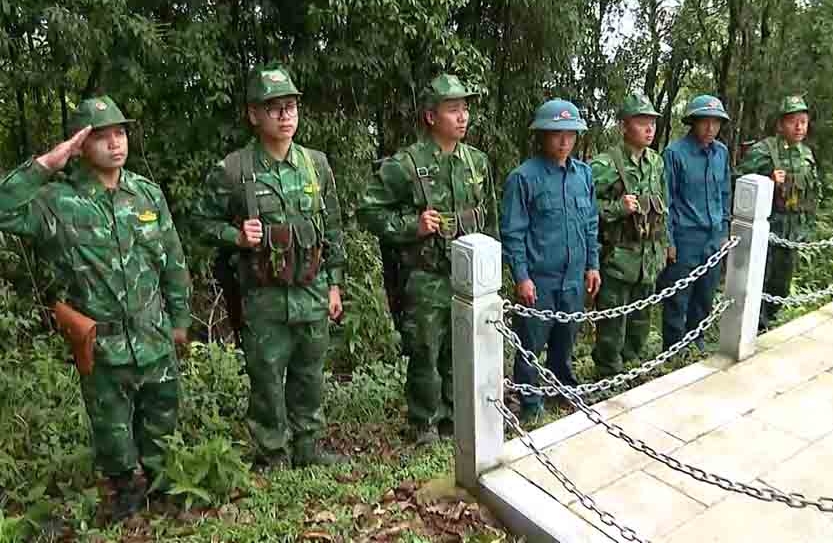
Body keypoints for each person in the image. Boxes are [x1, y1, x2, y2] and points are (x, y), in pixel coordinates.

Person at [0, 96, 191, 521]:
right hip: (102, 343)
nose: (114, 143)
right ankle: (126, 493)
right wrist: (47, 163)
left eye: (120, 133)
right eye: (101, 136)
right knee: (112, 428)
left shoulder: (147, 194)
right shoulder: (57, 201)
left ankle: (162, 490)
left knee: (161, 420)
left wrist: (180, 319)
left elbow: (173, 261)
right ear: (80, 144)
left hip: (153, 334)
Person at [192, 64, 346, 469]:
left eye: (290, 106)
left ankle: (308, 447)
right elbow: (199, 222)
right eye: (274, 108)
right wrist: (236, 236)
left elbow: (332, 228)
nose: (285, 115)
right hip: (263, 297)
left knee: (309, 375)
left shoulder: (316, 165)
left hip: (311, 290)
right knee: (266, 378)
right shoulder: (234, 170)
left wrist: (334, 284)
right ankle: (272, 453)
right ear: (254, 114)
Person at [358, 74, 497, 446]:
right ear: (431, 116)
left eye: (465, 109)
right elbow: (368, 211)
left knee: (463, 347)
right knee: (426, 350)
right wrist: (412, 226)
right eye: (453, 109)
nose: (462, 116)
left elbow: (489, 220)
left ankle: (455, 415)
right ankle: (425, 423)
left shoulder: (477, 162)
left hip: (468, 274)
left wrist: (493, 268)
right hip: (426, 275)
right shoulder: (405, 164)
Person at [501, 99, 600, 422]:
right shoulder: (523, 178)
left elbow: (590, 224)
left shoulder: (583, 175)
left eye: (570, 134)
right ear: (543, 135)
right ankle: (530, 403)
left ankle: (564, 389)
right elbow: (513, 232)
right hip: (539, 279)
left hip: (573, 276)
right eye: (557, 134)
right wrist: (521, 276)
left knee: (566, 337)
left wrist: (593, 265)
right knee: (531, 343)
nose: (564, 141)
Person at [589, 93, 670, 377]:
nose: (649, 129)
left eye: (652, 123)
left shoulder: (656, 163)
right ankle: (608, 374)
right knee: (612, 324)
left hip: (648, 258)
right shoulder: (604, 165)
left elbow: (664, 206)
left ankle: (633, 367)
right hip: (617, 258)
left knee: (641, 320)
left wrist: (665, 246)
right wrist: (617, 208)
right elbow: (584, 208)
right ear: (624, 126)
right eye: (642, 122)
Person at [737, 95, 821, 331]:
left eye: (803, 121)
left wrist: (807, 227)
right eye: (793, 121)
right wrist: (768, 180)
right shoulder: (764, 150)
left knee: (781, 284)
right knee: (759, 279)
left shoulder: (806, 155)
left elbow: (813, 194)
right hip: (767, 228)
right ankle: (754, 326)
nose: (799, 127)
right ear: (781, 124)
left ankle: (768, 322)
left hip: (792, 231)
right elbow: (739, 180)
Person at [659, 94, 732, 354]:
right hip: (685, 236)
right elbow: (666, 200)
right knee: (678, 296)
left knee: (705, 293)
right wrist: (669, 240)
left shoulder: (721, 153)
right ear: (693, 122)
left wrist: (724, 230)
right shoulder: (674, 153)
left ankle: (697, 339)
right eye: (705, 121)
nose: (711, 128)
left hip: (713, 236)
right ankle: (673, 348)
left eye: (716, 122)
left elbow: (725, 193)